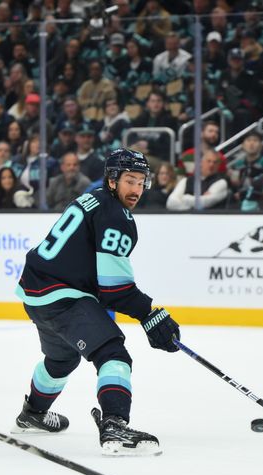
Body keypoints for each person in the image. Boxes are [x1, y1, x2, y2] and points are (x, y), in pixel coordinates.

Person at [11, 148, 181, 456]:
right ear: (113, 180)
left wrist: (146, 314)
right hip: (64, 295)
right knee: (113, 353)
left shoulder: (92, 199)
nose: (137, 190)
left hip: (35, 292)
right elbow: (115, 291)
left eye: (142, 182)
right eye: (130, 181)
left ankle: (33, 413)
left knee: (62, 359)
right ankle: (115, 422)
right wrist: (150, 315)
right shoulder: (117, 216)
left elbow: (103, 286)